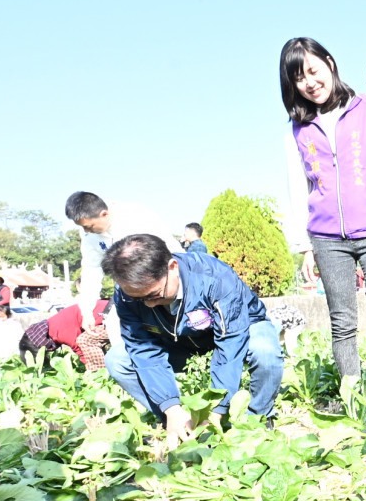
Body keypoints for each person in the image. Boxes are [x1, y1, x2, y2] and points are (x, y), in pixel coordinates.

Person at [281, 37, 366, 402]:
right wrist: (304, 246)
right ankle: (355, 402)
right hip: (326, 237)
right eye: (299, 78)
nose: (310, 82)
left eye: (313, 70)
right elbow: (297, 188)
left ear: (330, 63)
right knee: (342, 323)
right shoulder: (297, 128)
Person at [101, 234, 283, 447]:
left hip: (239, 328)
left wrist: (216, 410)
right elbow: (143, 350)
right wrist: (171, 408)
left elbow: (231, 343)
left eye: (154, 295)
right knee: (118, 359)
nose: (148, 305)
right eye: (139, 299)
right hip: (178, 341)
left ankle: (258, 419)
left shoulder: (215, 278)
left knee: (264, 350)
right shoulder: (126, 294)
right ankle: (176, 422)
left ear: (172, 267)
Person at [64, 191, 184, 334]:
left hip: (160, 282)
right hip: (129, 288)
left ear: (104, 214)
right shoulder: (88, 234)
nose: (86, 231)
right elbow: (91, 270)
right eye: (83, 227)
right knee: (115, 325)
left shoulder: (136, 214)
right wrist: (87, 312)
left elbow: (172, 249)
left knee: (176, 323)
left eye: (89, 226)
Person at [19, 300, 112, 370]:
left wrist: (89, 370)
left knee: (85, 341)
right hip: (107, 312)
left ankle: (101, 373)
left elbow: (81, 350)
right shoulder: (51, 324)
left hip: (112, 316)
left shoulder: (57, 331)